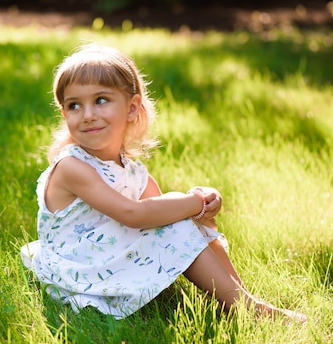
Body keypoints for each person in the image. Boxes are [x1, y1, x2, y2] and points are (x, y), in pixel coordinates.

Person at [21, 43, 306, 323]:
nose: (88, 114)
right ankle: (245, 307)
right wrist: (194, 203)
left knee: (183, 217)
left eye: (101, 100)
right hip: (79, 269)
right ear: (64, 114)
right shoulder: (73, 167)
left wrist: (203, 200)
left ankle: (241, 298)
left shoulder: (131, 169)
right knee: (181, 219)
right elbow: (134, 215)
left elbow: (159, 210)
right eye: (74, 105)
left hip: (105, 256)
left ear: (132, 108)